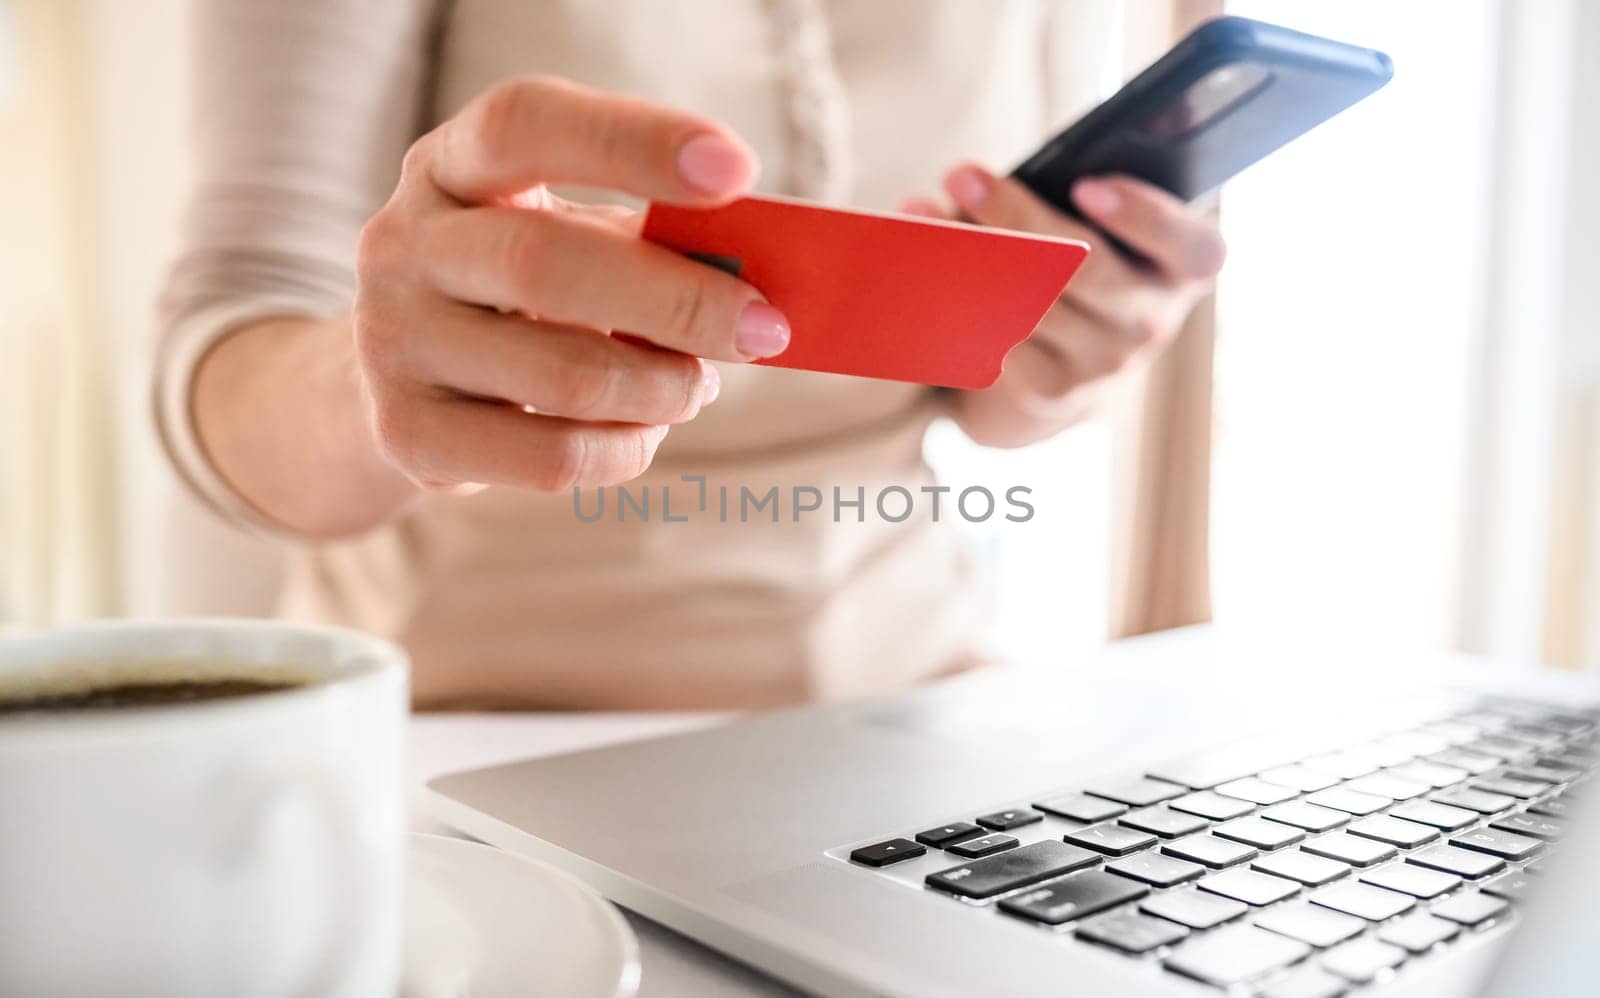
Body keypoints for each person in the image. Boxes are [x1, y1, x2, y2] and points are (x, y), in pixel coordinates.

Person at [156, 1, 1225, 709]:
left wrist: (1070, 353)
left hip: (911, 702)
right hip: (469, 723)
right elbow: (230, 324)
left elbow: (987, 399)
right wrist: (372, 385)